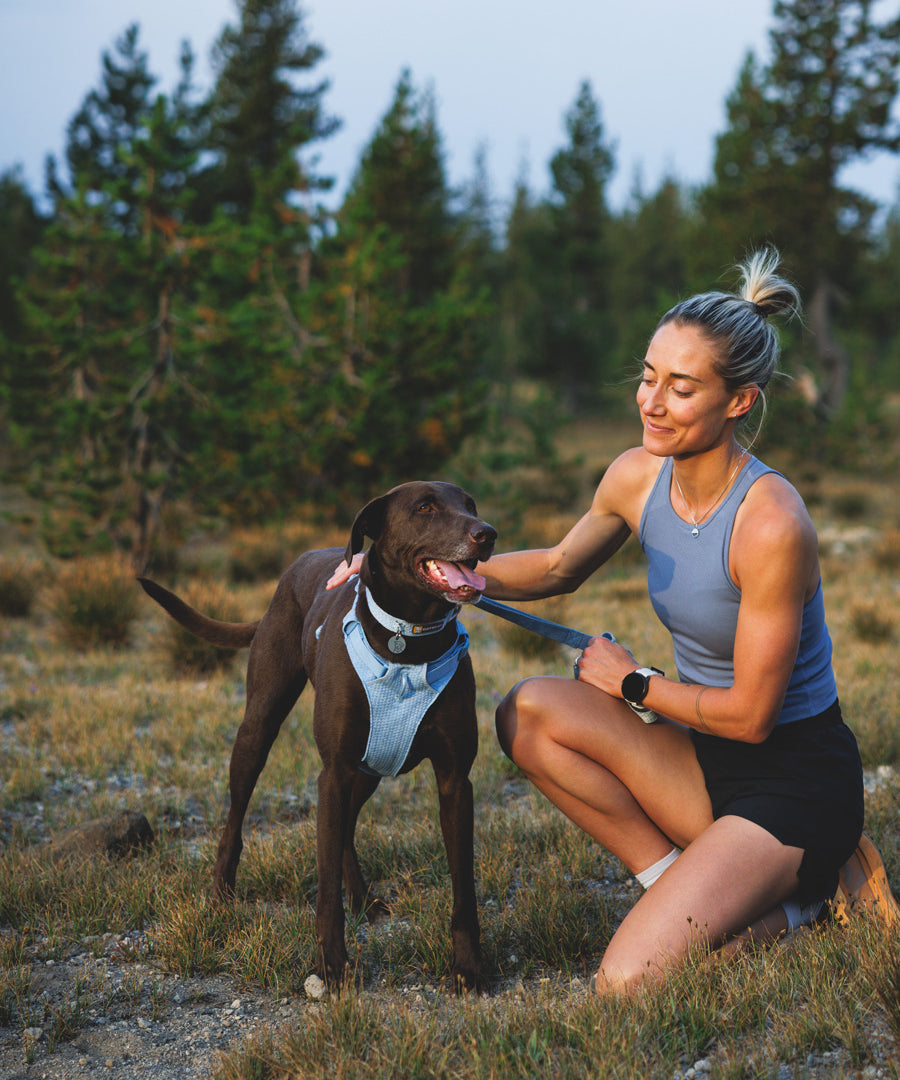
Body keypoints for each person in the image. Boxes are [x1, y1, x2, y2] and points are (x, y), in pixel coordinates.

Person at [329, 249, 899, 992]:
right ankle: (678, 884)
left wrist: (632, 684)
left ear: (740, 402)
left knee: (627, 982)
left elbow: (755, 718)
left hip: (792, 779)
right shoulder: (637, 475)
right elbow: (560, 567)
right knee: (528, 712)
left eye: (682, 387)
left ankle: (810, 895)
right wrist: (413, 567)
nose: (652, 401)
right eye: (649, 375)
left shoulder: (770, 522)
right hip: (703, 756)